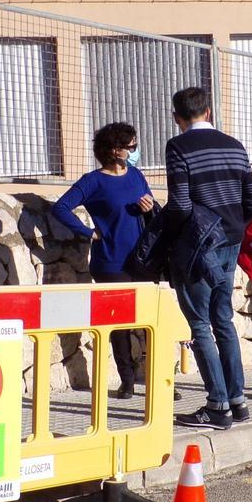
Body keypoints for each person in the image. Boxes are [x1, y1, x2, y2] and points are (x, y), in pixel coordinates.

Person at [164, 87, 252, 429]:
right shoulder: (235, 146)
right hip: (230, 242)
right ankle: (238, 399)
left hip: (198, 244)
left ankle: (217, 405)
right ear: (208, 111)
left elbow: (179, 205)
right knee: (223, 319)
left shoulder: (178, 147)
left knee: (200, 324)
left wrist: (172, 236)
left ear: (177, 117)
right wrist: (234, 231)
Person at [52, 122, 157, 400]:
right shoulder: (93, 181)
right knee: (120, 324)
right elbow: (61, 207)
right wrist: (89, 232)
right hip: (110, 262)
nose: (135, 151)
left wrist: (148, 209)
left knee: (149, 322)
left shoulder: (136, 175)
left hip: (141, 259)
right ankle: (127, 381)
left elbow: (151, 209)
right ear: (114, 150)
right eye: (130, 146)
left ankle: (157, 379)